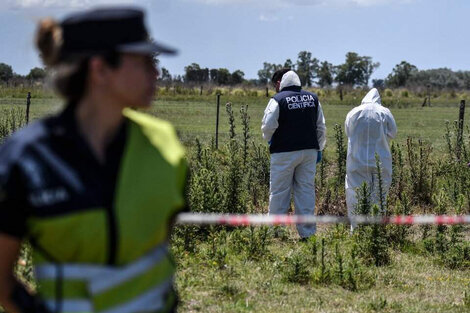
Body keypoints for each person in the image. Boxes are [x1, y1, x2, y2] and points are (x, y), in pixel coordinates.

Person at [0, 7, 186, 313]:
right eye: (143, 61)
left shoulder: (167, 147)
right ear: (99, 70)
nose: (156, 74)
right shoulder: (26, 160)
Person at [261, 69, 326, 240]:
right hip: (309, 152)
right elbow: (321, 127)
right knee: (305, 192)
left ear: (281, 84)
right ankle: (308, 233)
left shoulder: (277, 100)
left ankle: (276, 232)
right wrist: (319, 148)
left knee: (279, 192)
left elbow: (267, 126)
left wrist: (270, 140)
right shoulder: (313, 98)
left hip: (283, 153)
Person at [345, 88, 397, 230]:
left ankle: (356, 228)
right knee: (379, 193)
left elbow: (347, 131)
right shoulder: (384, 112)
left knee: (354, 193)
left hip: (357, 160)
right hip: (380, 160)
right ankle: (375, 229)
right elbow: (393, 133)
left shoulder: (353, 112)